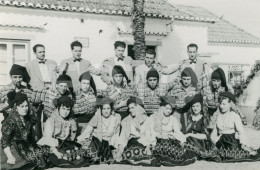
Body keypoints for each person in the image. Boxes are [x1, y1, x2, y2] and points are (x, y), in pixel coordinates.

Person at [37, 96, 90, 168]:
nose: (65, 112)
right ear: (58, 108)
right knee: (59, 159)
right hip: (51, 146)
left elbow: (71, 138)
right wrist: (56, 152)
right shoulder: (51, 121)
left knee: (82, 155)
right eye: (63, 109)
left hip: (63, 145)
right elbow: (48, 139)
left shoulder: (70, 121)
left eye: (68, 109)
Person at [1, 92, 48, 170]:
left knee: (43, 152)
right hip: (14, 146)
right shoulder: (10, 121)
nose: (25, 108)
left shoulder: (26, 118)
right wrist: (10, 156)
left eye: (26, 106)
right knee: (32, 159)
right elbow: (4, 141)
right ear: (16, 107)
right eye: (21, 106)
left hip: (25, 144)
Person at [210, 92, 260, 162]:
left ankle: (249, 151)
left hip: (231, 141)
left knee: (233, 154)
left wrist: (244, 145)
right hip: (221, 141)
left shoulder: (234, 116)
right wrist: (213, 141)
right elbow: (214, 132)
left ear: (230, 104)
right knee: (214, 154)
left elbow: (241, 132)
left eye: (224, 104)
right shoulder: (218, 116)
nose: (221, 106)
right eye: (220, 104)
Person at [149, 96, 197, 166]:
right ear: (162, 108)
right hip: (158, 140)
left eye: (170, 109)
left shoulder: (173, 119)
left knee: (177, 151)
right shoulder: (155, 117)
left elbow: (177, 131)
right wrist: (160, 136)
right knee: (159, 148)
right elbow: (152, 131)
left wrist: (177, 138)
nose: (168, 111)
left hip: (169, 139)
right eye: (167, 108)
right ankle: (158, 158)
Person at [77, 96, 121, 163]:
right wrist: (79, 141)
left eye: (108, 108)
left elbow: (116, 135)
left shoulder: (115, 119)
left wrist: (116, 147)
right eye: (104, 109)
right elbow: (87, 131)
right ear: (100, 109)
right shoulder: (97, 118)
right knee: (89, 156)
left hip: (108, 145)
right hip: (97, 143)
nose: (106, 111)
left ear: (111, 109)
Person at [117, 97, 155, 165]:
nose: (130, 110)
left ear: (139, 107)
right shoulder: (126, 121)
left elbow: (149, 135)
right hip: (132, 142)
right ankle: (138, 160)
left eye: (133, 107)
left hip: (145, 143)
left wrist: (148, 147)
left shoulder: (147, 120)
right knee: (134, 147)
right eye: (129, 108)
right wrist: (120, 150)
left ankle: (141, 159)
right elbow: (122, 137)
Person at [167, 67, 199, 131]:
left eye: (188, 79)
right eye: (184, 79)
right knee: (177, 127)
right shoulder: (176, 87)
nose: (186, 81)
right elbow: (170, 100)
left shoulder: (194, 88)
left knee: (191, 128)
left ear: (191, 79)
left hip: (190, 112)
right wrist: (175, 104)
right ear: (181, 79)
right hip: (178, 111)